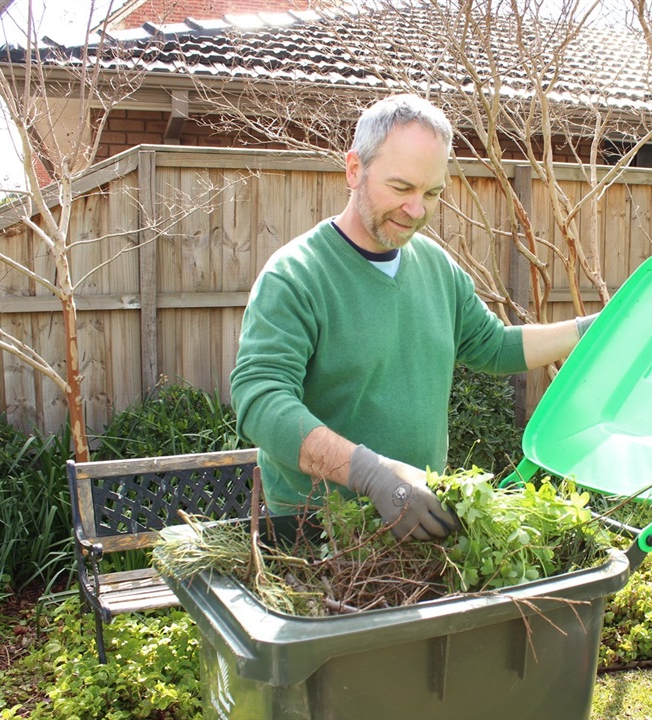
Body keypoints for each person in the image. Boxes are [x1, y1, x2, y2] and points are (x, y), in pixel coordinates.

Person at [230, 94, 596, 541]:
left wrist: (588, 332)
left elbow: (494, 345)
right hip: (317, 536)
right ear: (354, 170)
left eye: (432, 193)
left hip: (418, 526)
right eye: (401, 188)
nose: (417, 209)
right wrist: (372, 474)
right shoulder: (297, 275)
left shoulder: (434, 266)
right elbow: (260, 401)